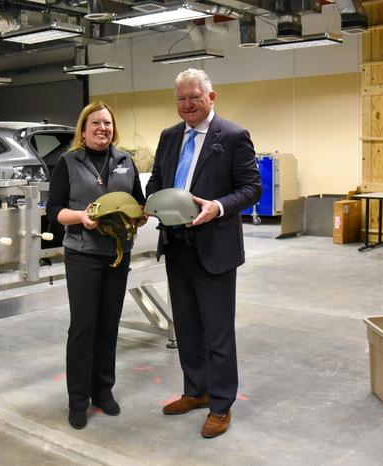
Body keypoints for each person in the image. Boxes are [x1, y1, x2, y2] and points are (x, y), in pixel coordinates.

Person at [146, 69, 261, 438]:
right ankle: (195, 391)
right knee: (188, 327)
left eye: (194, 97)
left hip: (214, 246)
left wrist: (218, 206)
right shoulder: (168, 137)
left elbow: (251, 188)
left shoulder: (232, 136)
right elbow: (157, 182)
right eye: (181, 98)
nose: (187, 104)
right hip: (176, 244)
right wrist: (150, 204)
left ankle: (221, 404)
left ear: (212, 97)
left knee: (218, 331)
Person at [47, 101, 146, 430]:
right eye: (95, 124)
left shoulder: (125, 161)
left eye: (107, 123)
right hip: (82, 253)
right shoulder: (68, 162)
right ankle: (78, 400)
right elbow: (55, 210)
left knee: (109, 324)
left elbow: (137, 203)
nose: (102, 128)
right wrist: (81, 218)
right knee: (84, 327)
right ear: (83, 130)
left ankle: (103, 390)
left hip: (118, 253)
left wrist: (141, 215)